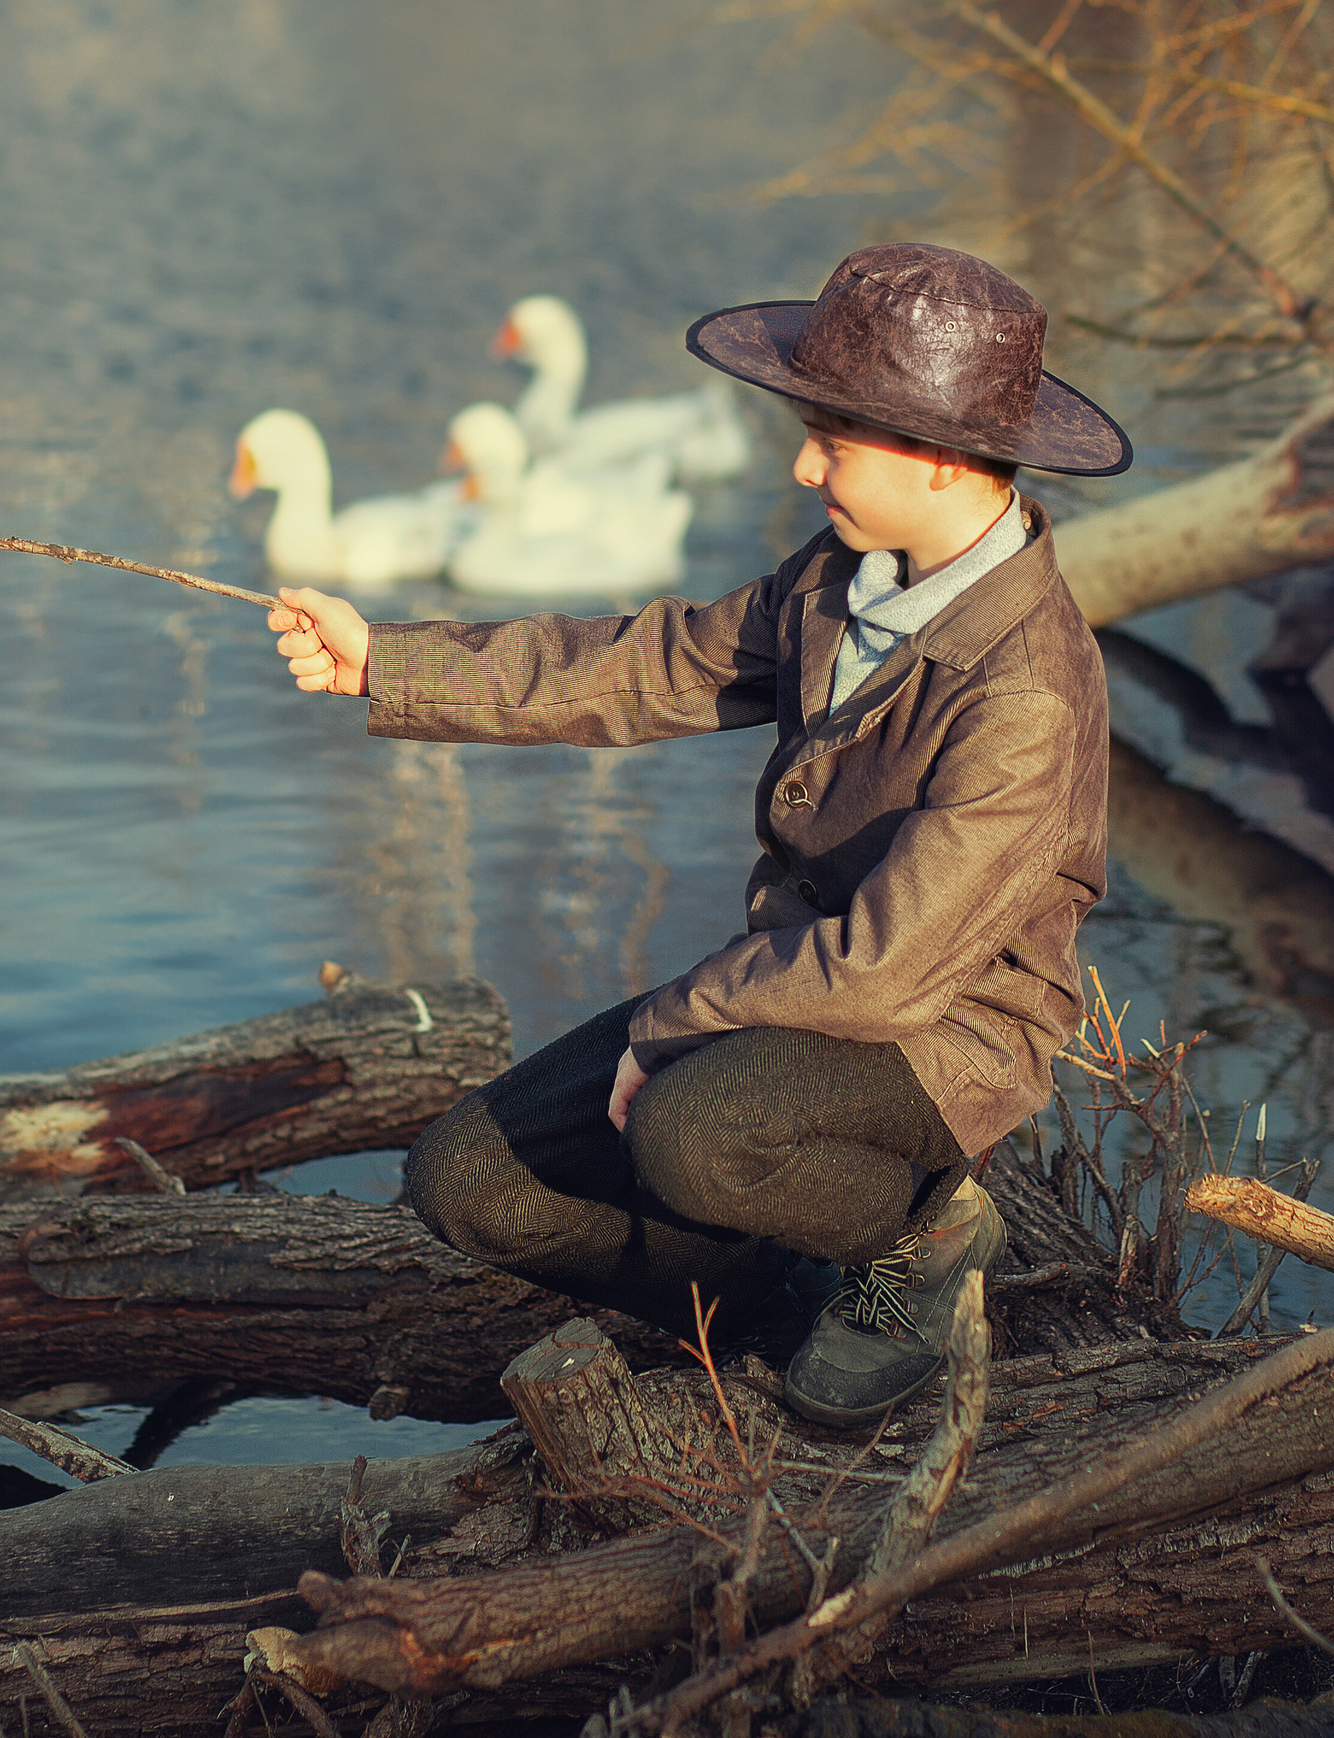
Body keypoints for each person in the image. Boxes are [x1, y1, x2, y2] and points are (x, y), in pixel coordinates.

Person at [262, 244, 1132, 1427]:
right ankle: (778, 1302)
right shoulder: (846, 575)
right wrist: (392, 662)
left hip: (937, 1024)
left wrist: (671, 1026)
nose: (800, 458)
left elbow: (883, 969)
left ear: (935, 458)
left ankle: (924, 1237)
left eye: (833, 437)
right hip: (794, 985)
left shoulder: (1023, 692)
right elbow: (647, 664)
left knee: (691, 1132)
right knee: (463, 1180)